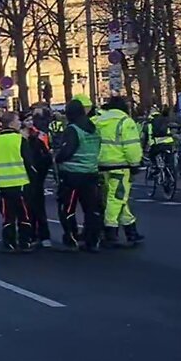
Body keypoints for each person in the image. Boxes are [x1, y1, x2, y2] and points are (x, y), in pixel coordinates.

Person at [94, 96, 145, 247]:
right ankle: (111, 231)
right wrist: (135, 163)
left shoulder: (98, 122)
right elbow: (131, 146)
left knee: (116, 199)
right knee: (116, 198)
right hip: (120, 166)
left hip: (101, 165)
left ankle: (131, 231)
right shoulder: (125, 122)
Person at [55, 98, 103, 252]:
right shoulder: (93, 128)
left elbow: (67, 152)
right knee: (91, 209)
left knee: (67, 208)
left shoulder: (73, 129)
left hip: (72, 175)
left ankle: (71, 238)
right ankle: (92, 240)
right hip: (91, 173)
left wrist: (57, 157)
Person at [0, 112, 34, 252]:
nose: (19, 123)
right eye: (17, 121)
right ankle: (24, 242)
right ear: (11, 123)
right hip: (20, 183)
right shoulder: (20, 140)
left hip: (2, 185)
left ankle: (8, 243)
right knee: (24, 215)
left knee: (7, 216)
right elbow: (29, 163)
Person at [23, 118, 54, 248]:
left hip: (26, 179)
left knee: (29, 210)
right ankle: (43, 236)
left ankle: (32, 235)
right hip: (36, 179)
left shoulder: (26, 143)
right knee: (38, 209)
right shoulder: (37, 142)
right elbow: (46, 159)